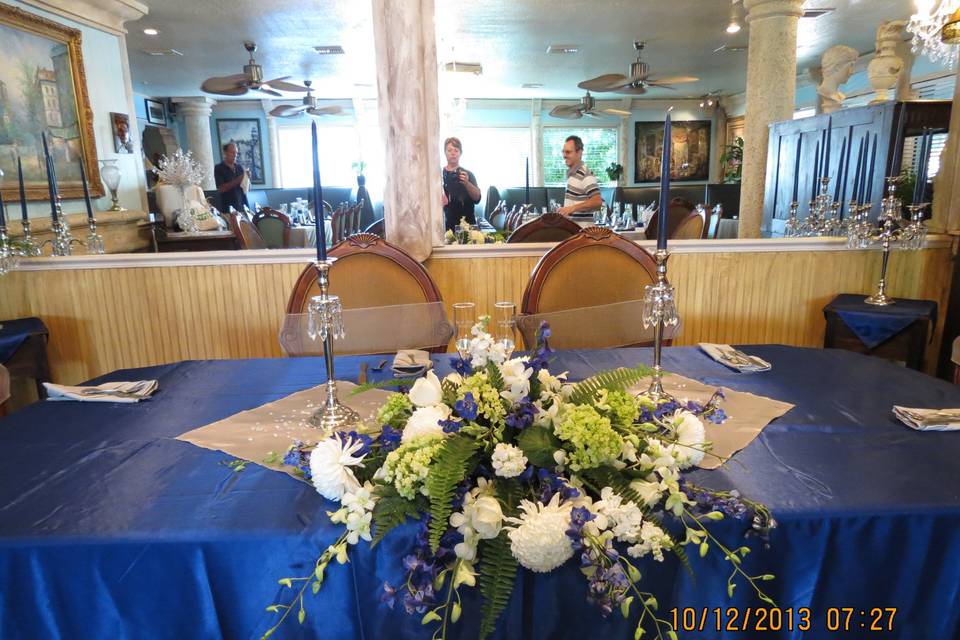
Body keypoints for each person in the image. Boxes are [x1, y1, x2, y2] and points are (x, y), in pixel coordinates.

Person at [441, 137, 481, 231]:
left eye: (456, 150)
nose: (453, 153)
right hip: (446, 224)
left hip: (467, 225)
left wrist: (467, 183)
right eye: (449, 150)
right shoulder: (438, 175)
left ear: (460, 153)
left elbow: (477, 198)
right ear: (445, 152)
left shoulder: (468, 174)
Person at [557, 135, 602, 216]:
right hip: (572, 228)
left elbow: (597, 202)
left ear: (579, 153)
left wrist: (572, 208)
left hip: (583, 229)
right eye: (563, 152)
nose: (564, 155)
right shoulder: (572, 174)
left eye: (568, 152)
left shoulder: (585, 175)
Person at [214, 142, 248, 213]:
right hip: (227, 207)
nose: (235, 155)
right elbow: (221, 189)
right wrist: (239, 179)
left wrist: (247, 179)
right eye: (232, 152)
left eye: (236, 153)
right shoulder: (219, 168)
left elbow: (245, 188)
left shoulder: (240, 168)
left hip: (241, 206)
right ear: (225, 153)